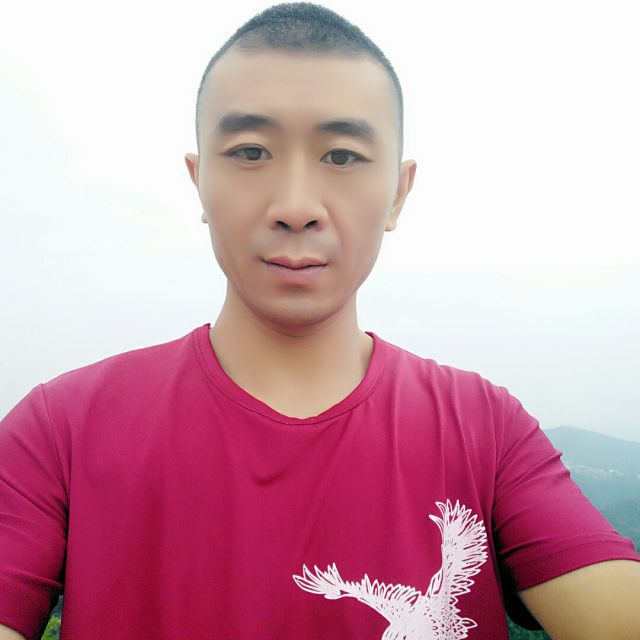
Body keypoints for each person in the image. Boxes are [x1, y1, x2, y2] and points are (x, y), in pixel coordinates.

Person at [1, 3, 639, 639]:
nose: (296, 206)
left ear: (398, 192)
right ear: (199, 183)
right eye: (250, 151)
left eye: (341, 156)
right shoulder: (60, 430)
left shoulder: (484, 430)